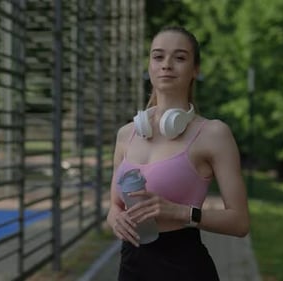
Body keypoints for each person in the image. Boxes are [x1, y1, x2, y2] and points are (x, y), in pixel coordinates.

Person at [106, 25, 250, 281]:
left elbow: (240, 223)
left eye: (180, 57)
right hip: (131, 267)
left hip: (184, 268)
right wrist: (115, 220)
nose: (167, 64)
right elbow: (114, 207)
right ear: (149, 65)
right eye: (158, 56)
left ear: (195, 70)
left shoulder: (214, 134)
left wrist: (179, 212)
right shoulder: (126, 134)